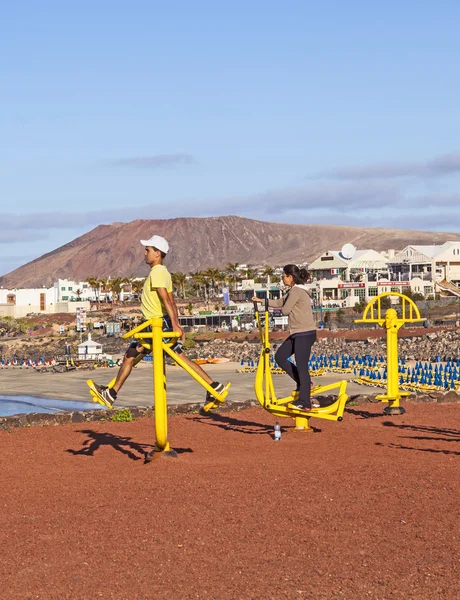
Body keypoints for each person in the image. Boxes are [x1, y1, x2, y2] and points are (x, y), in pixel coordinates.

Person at [94, 235, 225, 406]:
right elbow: (171, 301)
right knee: (167, 356)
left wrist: (176, 324)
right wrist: (176, 323)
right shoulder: (164, 273)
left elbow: (166, 300)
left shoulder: (157, 273)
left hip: (155, 325)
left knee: (131, 355)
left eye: (147, 250)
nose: (144, 253)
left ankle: (111, 393)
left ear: (157, 253)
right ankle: (213, 386)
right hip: (158, 323)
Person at [252, 264, 318, 411]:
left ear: (290, 277)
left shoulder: (296, 291)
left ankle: (305, 402)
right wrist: (261, 301)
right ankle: (304, 383)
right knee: (280, 357)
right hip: (297, 333)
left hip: (304, 333)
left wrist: (279, 307)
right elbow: (281, 302)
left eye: (283, 276)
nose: (282, 279)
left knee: (302, 366)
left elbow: (285, 309)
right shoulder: (293, 291)